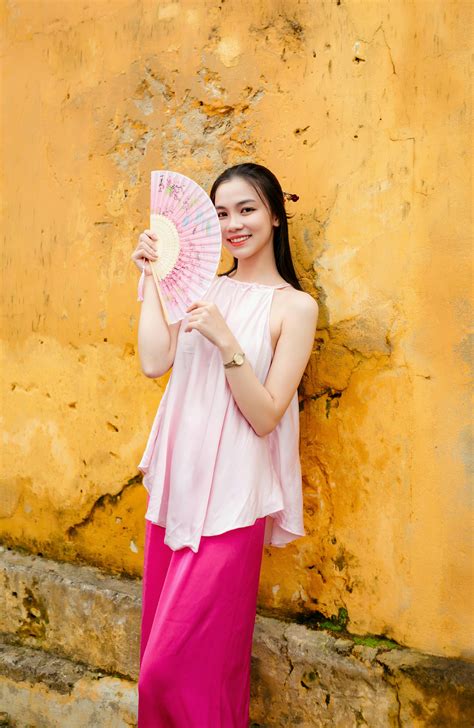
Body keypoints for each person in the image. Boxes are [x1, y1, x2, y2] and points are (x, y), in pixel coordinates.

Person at [130, 163, 318, 727]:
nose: (233, 224)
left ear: (275, 216)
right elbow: (153, 361)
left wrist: (227, 340)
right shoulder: (198, 288)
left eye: (247, 209)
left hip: (233, 503)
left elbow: (266, 416)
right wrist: (154, 281)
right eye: (221, 214)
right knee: (175, 668)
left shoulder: (295, 308)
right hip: (176, 492)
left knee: (171, 670)